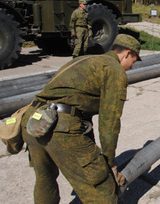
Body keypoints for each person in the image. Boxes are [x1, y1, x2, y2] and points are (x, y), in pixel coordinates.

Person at [21, 34, 142, 204]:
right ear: (127, 54)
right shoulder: (113, 70)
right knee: (102, 191)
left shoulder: (86, 60)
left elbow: (81, 116)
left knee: (45, 179)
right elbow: (109, 123)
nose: (130, 68)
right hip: (59, 126)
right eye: (133, 62)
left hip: (33, 120)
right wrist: (109, 165)